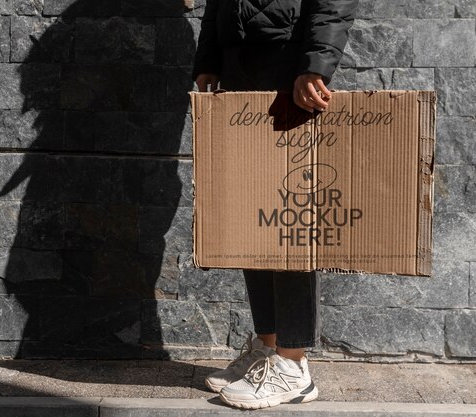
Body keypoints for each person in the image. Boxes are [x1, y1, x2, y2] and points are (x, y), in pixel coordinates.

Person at [191, 0, 358, 410]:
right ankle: (268, 352)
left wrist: (315, 66)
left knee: (290, 221)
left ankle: (293, 365)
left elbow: (333, 4)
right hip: (239, 74)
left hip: (291, 71)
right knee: (254, 217)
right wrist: (209, 59)